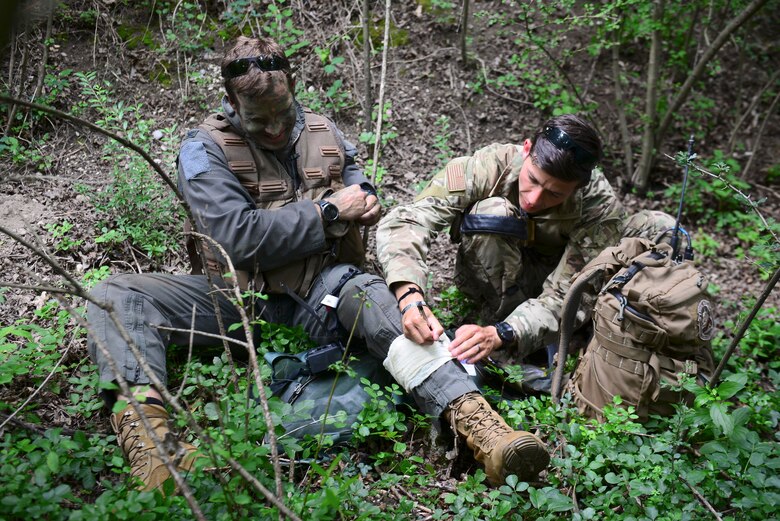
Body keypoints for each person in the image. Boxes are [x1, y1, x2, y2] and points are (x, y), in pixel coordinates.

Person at [87, 36, 548, 493]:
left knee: (381, 300)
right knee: (116, 295)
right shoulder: (203, 150)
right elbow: (235, 237)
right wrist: (328, 212)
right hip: (239, 298)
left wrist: (366, 200)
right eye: (258, 120)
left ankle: (484, 429)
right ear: (230, 103)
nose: (275, 130)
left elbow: (357, 182)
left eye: (283, 115)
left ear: (294, 88)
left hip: (327, 289)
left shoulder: (324, 131)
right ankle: (153, 451)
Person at [376, 114, 675, 374]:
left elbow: (569, 293)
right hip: (491, 273)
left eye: (554, 194)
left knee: (661, 228)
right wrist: (409, 296)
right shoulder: (492, 164)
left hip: (551, 278)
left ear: (578, 188)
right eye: (532, 179)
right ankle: (493, 313)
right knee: (491, 212)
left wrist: (505, 333)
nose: (533, 199)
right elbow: (409, 219)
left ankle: (524, 339)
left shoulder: (598, 207)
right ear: (527, 149)